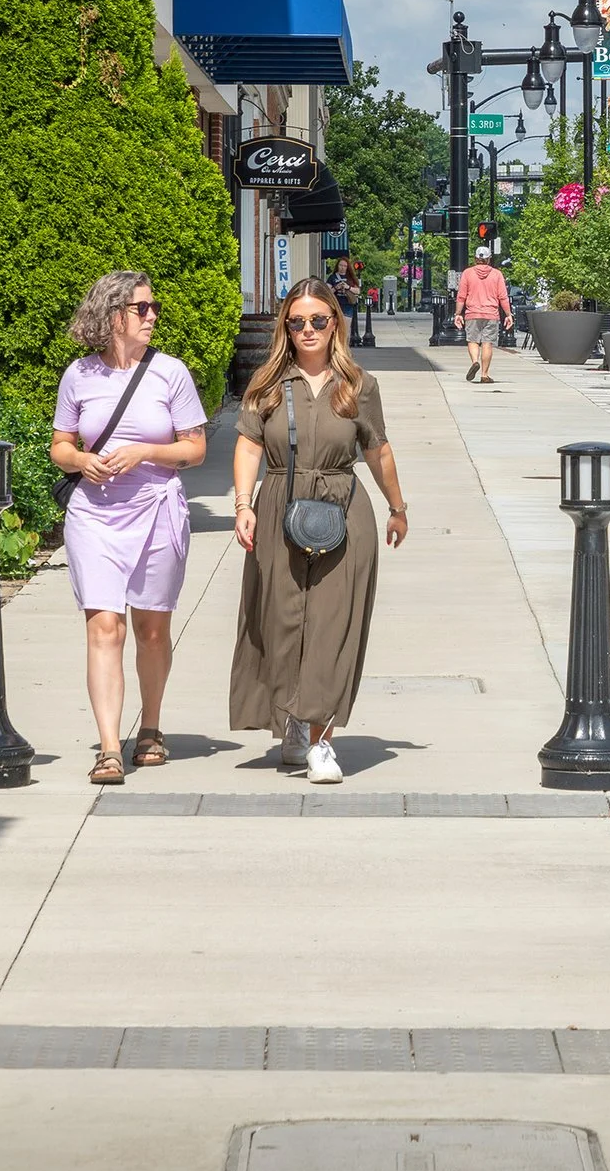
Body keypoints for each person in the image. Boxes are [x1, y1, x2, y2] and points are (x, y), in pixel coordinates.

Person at [230, 278, 411, 782]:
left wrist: (397, 508)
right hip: (277, 508)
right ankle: (290, 717)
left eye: (318, 320)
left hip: (344, 511)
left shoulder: (359, 385)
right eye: (297, 321)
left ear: (335, 323)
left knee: (333, 627)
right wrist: (243, 504)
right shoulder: (267, 383)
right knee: (282, 621)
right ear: (285, 327)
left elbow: (378, 449)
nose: (307, 329)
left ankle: (321, 741)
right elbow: (247, 446)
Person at [49, 271, 208, 784]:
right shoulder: (79, 375)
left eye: (153, 307)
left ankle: (152, 728)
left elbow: (195, 448)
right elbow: (60, 446)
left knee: (152, 628)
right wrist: (79, 461)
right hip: (94, 515)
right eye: (142, 308)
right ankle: (110, 747)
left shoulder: (171, 373)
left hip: (158, 508)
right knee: (104, 626)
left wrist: (145, 452)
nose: (152, 316)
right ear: (114, 315)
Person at [454, 245, 512, 383]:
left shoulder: (467, 273)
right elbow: (503, 297)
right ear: (489, 259)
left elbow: (461, 296)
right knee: (487, 343)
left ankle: (475, 362)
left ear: (475, 259)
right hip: (491, 313)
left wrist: (457, 313)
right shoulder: (497, 274)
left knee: (473, 341)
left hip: (472, 312)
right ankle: (484, 374)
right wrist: (508, 314)